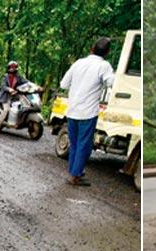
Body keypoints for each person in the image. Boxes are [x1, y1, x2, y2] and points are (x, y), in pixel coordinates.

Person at [59, 37, 116, 186]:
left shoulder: (78, 63)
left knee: (75, 143)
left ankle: (74, 172)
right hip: (88, 113)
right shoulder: (104, 66)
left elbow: (64, 84)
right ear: (108, 52)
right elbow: (111, 83)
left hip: (72, 110)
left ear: (92, 48)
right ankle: (75, 175)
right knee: (84, 145)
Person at [0, 61, 30, 133]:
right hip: (5, 97)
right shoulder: (5, 76)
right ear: (8, 68)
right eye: (11, 67)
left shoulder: (18, 76)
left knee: (25, 104)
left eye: (14, 67)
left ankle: (18, 122)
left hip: (15, 95)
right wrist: (9, 89)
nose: (13, 69)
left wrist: (33, 85)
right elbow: (3, 86)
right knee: (6, 110)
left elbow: (25, 81)